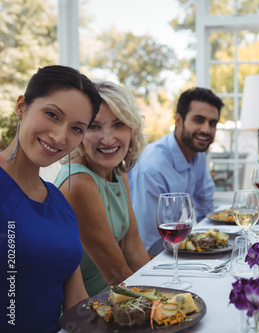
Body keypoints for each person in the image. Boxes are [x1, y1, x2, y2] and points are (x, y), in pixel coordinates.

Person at [0, 65, 102, 332]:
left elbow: (77, 304)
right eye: (52, 114)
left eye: (77, 129)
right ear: (22, 107)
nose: (60, 136)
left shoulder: (58, 202)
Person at [53, 81, 150, 296]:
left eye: (118, 124)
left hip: (114, 297)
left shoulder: (118, 171)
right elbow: (116, 275)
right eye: (94, 126)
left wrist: (169, 289)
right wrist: (165, 304)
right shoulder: (78, 183)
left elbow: (133, 248)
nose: (107, 139)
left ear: (131, 129)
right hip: (85, 311)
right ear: (78, 131)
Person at [129, 87, 224, 255]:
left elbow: (205, 204)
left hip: (178, 251)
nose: (206, 130)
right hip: (151, 261)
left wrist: (210, 246)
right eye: (198, 120)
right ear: (179, 121)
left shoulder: (197, 153)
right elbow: (148, 243)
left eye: (212, 123)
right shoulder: (152, 168)